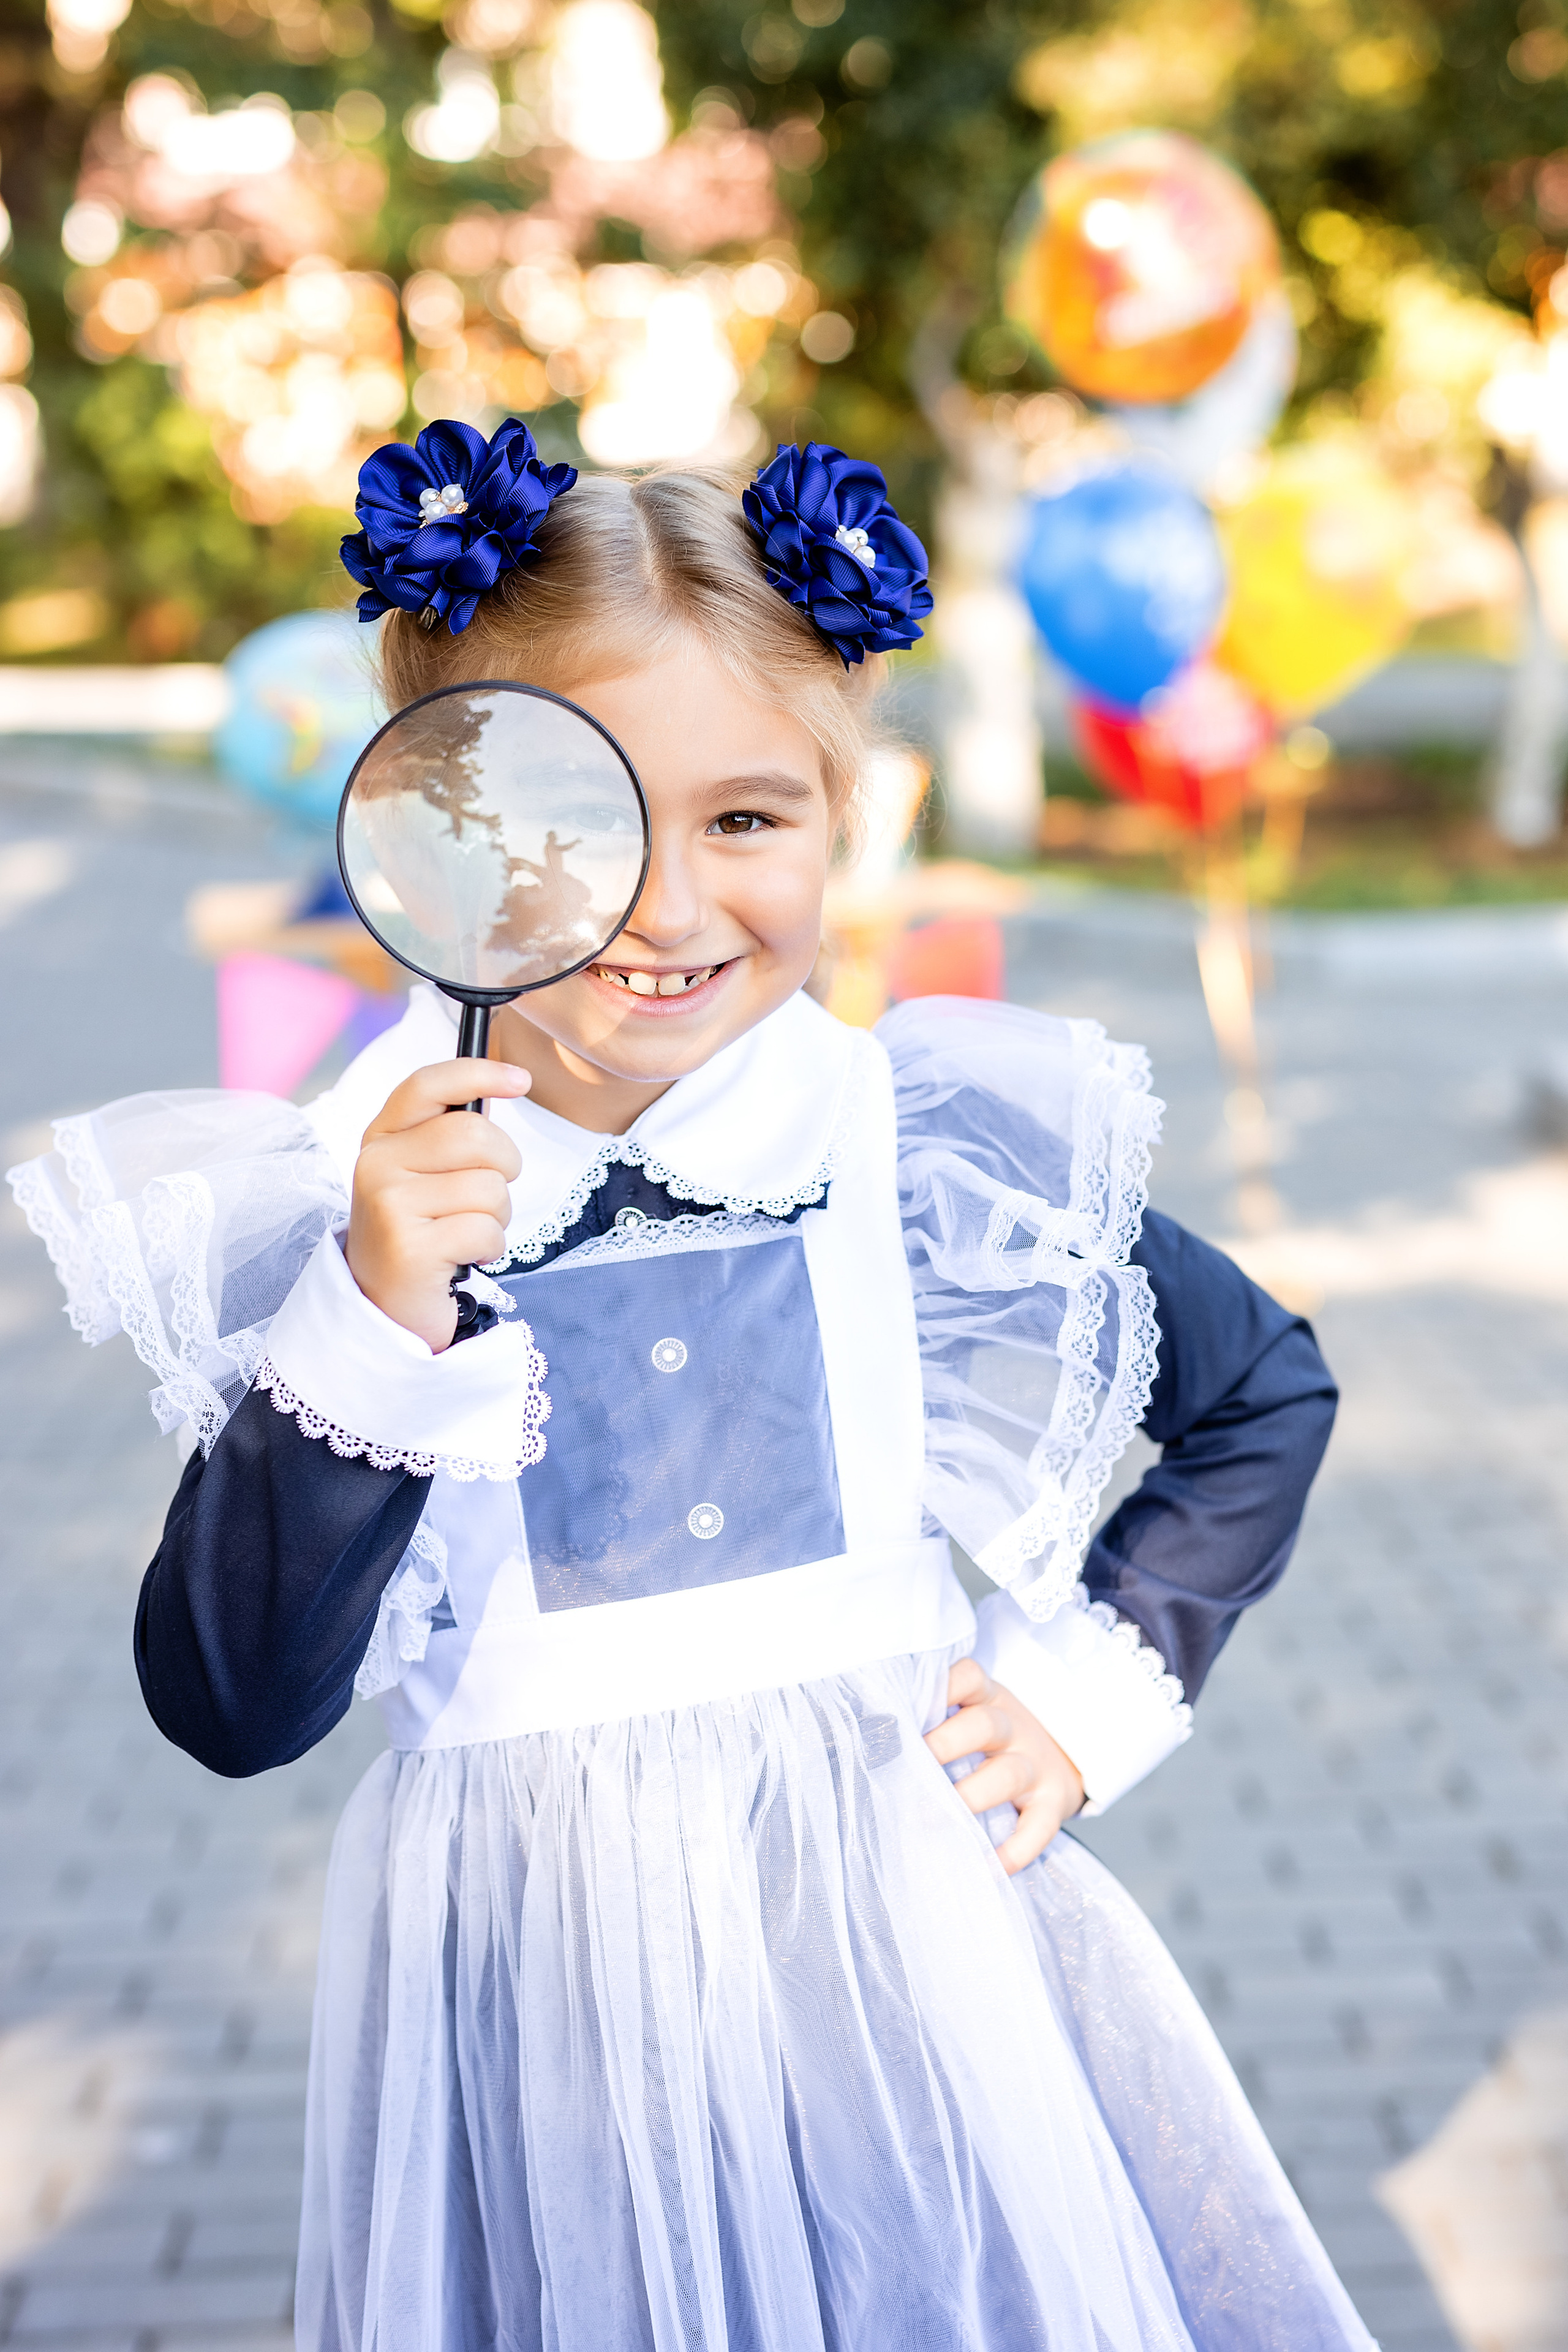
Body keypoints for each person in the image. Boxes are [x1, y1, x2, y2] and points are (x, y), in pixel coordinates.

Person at [9, 420, 1374, 2352]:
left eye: (746, 820)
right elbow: (233, 1704)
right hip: (544, 2019)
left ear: (840, 817)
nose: (664, 908)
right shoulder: (353, 1206)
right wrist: (377, 1313)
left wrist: (1083, 1690)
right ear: (447, 835)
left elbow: (1262, 1398)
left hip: (908, 1983)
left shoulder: (912, 1143)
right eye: (584, 826)